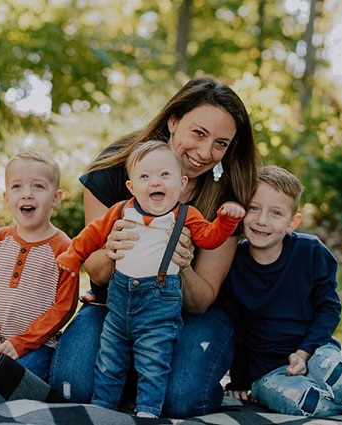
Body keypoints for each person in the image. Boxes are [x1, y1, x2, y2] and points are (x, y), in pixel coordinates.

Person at [49, 76, 257, 418]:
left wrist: (183, 265)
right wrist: (111, 250)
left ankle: (142, 375)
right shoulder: (118, 168)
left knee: (182, 400)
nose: (205, 153)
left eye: (221, 143)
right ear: (173, 121)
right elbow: (96, 274)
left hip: (184, 315)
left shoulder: (225, 194)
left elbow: (201, 301)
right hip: (115, 306)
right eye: (198, 133)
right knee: (74, 386)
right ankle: (135, 369)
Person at [224, 165, 342, 416]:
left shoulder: (310, 252)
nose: (262, 220)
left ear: (292, 223)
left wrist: (304, 352)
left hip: (315, 351)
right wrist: (240, 381)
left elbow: (328, 308)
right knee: (299, 401)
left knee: (340, 373)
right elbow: (236, 327)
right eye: (254, 208)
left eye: (276, 212)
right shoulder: (232, 262)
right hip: (269, 371)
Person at [0, 151, 79, 382]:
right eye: (17, 187)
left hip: (36, 345)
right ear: (7, 198)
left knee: (16, 384)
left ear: (56, 198)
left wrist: (22, 343)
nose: (27, 194)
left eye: (38, 186)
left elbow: (64, 306)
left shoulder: (64, 247)